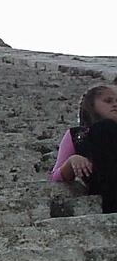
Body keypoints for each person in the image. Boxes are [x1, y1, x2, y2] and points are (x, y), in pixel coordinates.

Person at [50, 85, 117, 213]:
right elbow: (55, 177)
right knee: (104, 127)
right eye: (108, 101)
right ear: (91, 106)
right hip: (108, 192)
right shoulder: (78, 135)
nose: (115, 105)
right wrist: (72, 161)